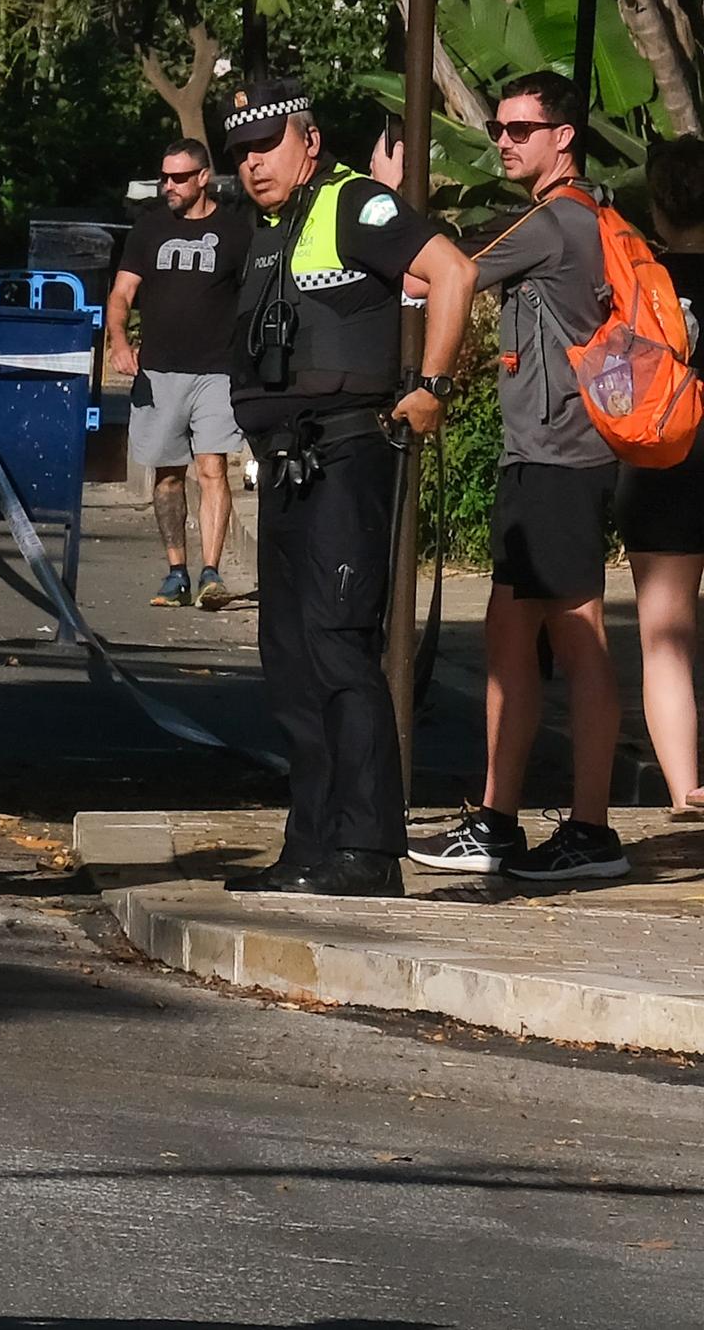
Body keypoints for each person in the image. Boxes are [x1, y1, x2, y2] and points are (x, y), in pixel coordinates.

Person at [218, 78, 476, 898]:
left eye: (266, 147)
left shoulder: (353, 203)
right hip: (285, 465)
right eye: (242, 154)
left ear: (309, 141)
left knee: (336, 645)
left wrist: (431, 384)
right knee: (289, 658)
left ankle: (364, 849)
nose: (253, 165)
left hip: (344, 456)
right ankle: (311, 843)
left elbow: (454, 272)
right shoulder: (267, 229)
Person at [406, 71, 631, 879]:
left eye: (522, 129)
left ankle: (588, 832)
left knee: (576, 638)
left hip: (556, 458)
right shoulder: (585, 215)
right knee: (513, 635)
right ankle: (505, 820)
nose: (504, 140)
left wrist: (395, 201)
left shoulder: (552, 223)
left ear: (564, 136)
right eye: (499, 127)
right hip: (549, 456)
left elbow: (431, 272)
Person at [108, 138, 253, 610]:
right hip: (159, 372)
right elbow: (122, 294)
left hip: (217, 370)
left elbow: (252, 296)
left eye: (178, 178)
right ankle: (177, 572)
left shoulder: (236, 231)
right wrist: (120, 340)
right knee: (167, 475)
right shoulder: (148, 229)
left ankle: (211, 574)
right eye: (164, 178)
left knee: (213, 469)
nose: (168, 186)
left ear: (203, 177)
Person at [619, 137, 704, 813]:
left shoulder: (642, 281)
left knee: (665, 636)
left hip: (664, 459)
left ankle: (685, 790)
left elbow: (616, 380)